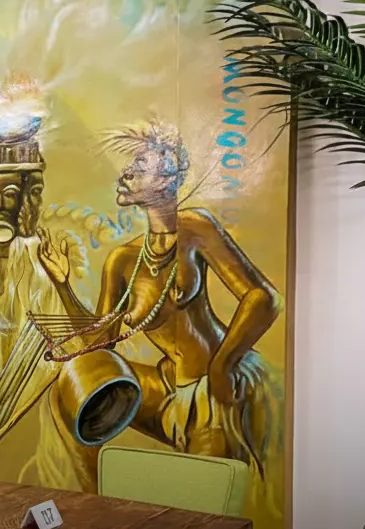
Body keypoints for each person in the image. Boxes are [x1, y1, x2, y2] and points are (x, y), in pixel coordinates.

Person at [36, 120, 281, 487]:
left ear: (167, 177)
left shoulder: (195, 228)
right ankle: (95, 501)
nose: (125, 174)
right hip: (164, 387)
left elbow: (263, 298)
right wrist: (63, 285)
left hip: (216, 390)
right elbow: (99, 344)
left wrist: (222, 366)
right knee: (73, 384)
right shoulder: (123, 259)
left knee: (206, 497)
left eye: (139, 165)